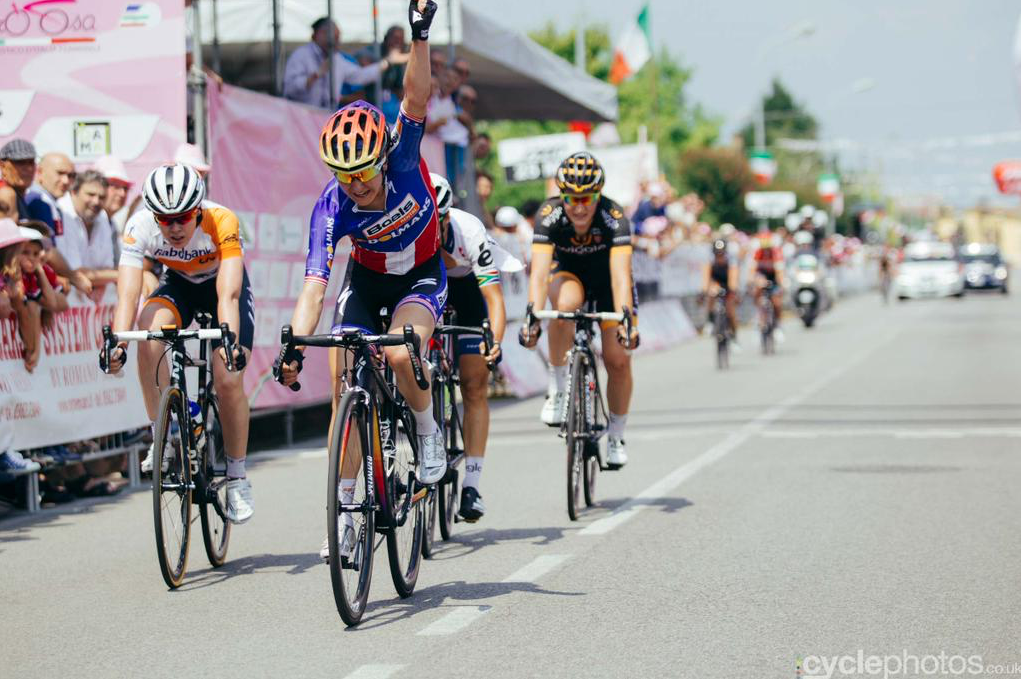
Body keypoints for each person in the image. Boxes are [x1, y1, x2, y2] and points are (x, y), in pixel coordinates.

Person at [274, 0, 442, 559]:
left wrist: (419, 35)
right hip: (366, 283)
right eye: (344, 177)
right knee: (345, 386)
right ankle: (345, 512)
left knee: (400, 355)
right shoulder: (333, 205)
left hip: (420, 275)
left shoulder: (401, 154)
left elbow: (416, 96)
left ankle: (425, 427)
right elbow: (315, 286)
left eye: (363, 172)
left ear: (380, 158)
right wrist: (295, 345)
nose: (356, 186)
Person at [103, 163, 255, 524]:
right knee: (147, 333)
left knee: (228, 375)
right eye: (164, 219)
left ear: (198, 210)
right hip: (180, 287)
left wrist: (229, 342)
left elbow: (229, 295)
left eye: (183, 218)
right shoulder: (139, 225)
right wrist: (118, 344)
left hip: (221, 288)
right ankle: (161, 435)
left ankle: (236, 476)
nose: (173, 227)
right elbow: (127, 295)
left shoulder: (222, 220)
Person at [518, 152, 639, 467]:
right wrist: (532, 315)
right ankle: (558, 388)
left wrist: (627, 321)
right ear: (562, 194)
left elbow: (620, 276)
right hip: (568, 276)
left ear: (598, 194)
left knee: (617, 360)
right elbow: (540, 274)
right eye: (571, 197)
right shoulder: (549, 214)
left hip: (608, 285)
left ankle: (615, 435)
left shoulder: (613, 216)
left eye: (588, 197)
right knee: (566, 306)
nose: (580, 206)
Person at [431, 173, 518, 521]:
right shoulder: (404, 231)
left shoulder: (470, 233)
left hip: (466, 289)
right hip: (426, 286)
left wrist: (493, 343)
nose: (430, 228)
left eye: (437, 222)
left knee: (474, 383)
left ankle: (472, 484)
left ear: (448, 216)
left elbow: (493, 299)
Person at [283, 16, 407, 108]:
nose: (338, 42)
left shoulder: (337, 60)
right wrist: (315, 75)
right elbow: (289, 89)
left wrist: (388, 62)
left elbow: (361, 76)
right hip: (300, 120)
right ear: (319, 34)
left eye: (338, 37)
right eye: (335, 37)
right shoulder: (301, 55)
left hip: (324, 119)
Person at [56, 171, 118, 305]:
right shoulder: (63, 211)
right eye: (90, 194)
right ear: (73, 192)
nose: (96, 201)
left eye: (101, 197)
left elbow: (107, 267)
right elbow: (75, 273)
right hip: (66, 289)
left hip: (95, 290)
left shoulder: (102, 216)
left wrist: (111, 276)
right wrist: (122, 275)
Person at [701, 238, 739, 345]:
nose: (719, 256)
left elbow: (733, 278)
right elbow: (706, 278)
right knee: (711, 293)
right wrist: (704, 291)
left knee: (731, 311)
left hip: (728, 282)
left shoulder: (731, 260)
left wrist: (732, 290)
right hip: (716, 282)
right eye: (717, 253)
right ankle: (710, 320)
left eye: (721, 253)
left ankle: (734, 336)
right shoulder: (709, 260)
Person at [751, 229, 785, 340]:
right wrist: (752, 281)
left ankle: (778, 325)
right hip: (762, 276)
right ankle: (759, 315)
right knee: (757, 290)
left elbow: (780, 272)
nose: (766, 249)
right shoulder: (758, 252)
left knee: (777, 302)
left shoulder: (776, 252)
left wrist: (781, 285)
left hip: (773, 277)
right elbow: (752, 270)